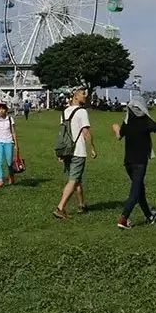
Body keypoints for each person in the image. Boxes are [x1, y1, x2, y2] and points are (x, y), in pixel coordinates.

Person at [112, 95, 156, 229]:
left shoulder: (127, 121)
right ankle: (123, 218)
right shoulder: (146, 121)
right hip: (140, 163)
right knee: (135, 192)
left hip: (128, 162)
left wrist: (116, 128)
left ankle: (149, 216)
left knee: (139, 189)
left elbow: (119, 136)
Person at [54, 86, 97, 219]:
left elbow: (63, 133)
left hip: (66, 150)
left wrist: (60, 153)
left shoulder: (64, 112)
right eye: (83, 94)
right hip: (78, 151)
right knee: (73, 180)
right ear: (76, 96)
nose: (86, 96)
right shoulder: (82, 112)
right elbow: (86, 132)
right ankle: (60, 208)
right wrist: (93, 147)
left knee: (76, 179)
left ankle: (81, 204)